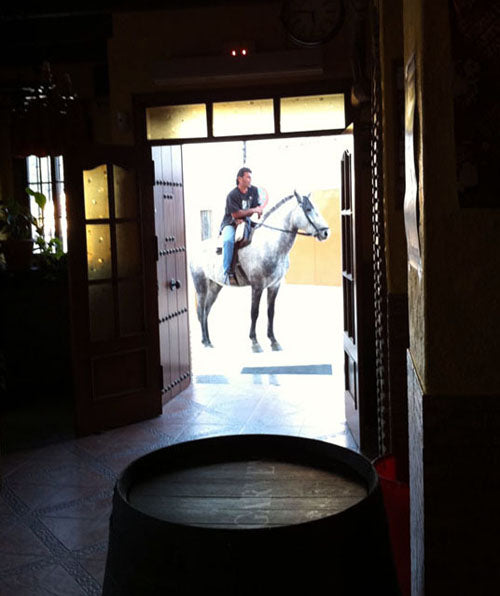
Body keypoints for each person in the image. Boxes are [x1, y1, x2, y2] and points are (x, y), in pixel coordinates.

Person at [219, 167, 268, 284]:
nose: (250, 180)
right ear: (240, 179)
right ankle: (227, 272)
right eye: (248, 177)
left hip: (246, 221)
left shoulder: (254, 191)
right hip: (230, 222)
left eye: (251, 177)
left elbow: (258, 206)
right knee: (228, 241)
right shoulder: (232, 195)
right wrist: (253, 210)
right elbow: (235, 214)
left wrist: (259, 210)